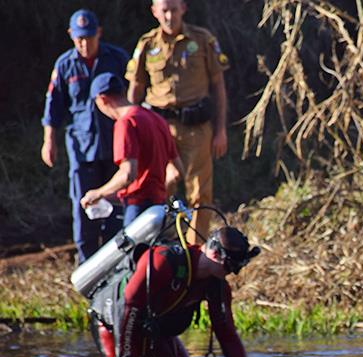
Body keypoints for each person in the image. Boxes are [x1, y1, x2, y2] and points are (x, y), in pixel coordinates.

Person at [92, 225, 262, 357]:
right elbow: (128, 305)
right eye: (230, 266)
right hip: (116, 322)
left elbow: (226, 333)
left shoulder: (217, 284)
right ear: (215, 254)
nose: (232, 273)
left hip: (154, 330)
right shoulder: (164, 261)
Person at [126, 0, 230, 244]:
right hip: (159, 129)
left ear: (183, 8)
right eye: (163, 11)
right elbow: (135, 91)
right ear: (154, 12)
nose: (169, 16)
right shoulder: (147, 45)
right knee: (160, 186)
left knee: (200, 194)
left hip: (196, 127)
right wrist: (130, 132)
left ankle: (196, 251)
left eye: (173, 9)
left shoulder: (203, 40)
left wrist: (221, 130)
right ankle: (161, 244)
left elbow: (219, 87)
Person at [41, 9, 128, 262]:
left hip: (115, 144)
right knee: (83, 207)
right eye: (79, 38)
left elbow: (133, 97)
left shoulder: (116, 58)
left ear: (98, 33)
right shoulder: (65, 65)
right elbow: (53, 106)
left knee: (115, 205)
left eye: (89, 37)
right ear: (71, 35)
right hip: (81, 146)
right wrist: (49, 141)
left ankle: (116, 263)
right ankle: (87, 267)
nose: (84, 43)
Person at [79, 73, 184, 226]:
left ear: (102, 99)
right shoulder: (157, 119)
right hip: (159, 208)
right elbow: (177, 171)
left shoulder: (126, 123)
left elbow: (128, 174)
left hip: (138, 208)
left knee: (132, 250)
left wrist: (98, 193)